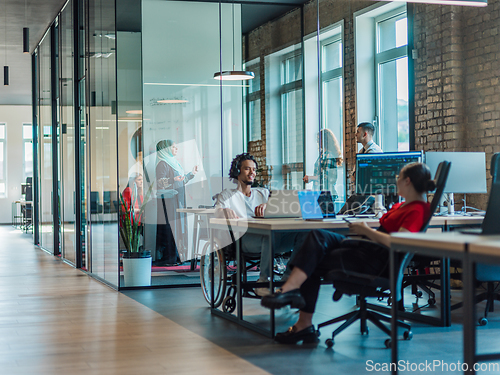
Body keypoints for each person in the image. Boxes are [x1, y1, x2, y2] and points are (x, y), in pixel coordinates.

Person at [261, 162, 435, 344]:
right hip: (368, 250)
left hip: (375, 260)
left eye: (399, 177)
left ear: (407, 181)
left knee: (313, 256)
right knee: (317, 237)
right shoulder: (403, 206)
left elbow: (400, 244)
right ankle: (293, 297)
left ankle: (299, 315)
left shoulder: (417, 209)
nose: (396, 180)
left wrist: (367, 231)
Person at [215, 153, 306, 296]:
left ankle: (288, 279)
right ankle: (264, 282)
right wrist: (224, 211)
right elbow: (217, 211)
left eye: (254, 169)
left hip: (271, 237)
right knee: (270, 234)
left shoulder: (262, 193)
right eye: (247, 169)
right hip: (244, 240)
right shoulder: (227, 195)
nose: (252, 173)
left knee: (304, 234)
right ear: (237, 172)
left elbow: (283, 207)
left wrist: (269, 205)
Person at [155, 140, 198, 265]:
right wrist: (172, 179)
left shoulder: (174, 164)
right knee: (171, 228)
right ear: (165, 149)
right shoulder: (162, 164)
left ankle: (178, 256)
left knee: (178, 228)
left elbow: (180, 181)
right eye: (173, 147)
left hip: (177, 200)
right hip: (169, 201)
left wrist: (191, 174)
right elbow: (159, 183)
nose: (176, 149)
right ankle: (170, 257)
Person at [303, 128, 343, 194]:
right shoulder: (322, 155)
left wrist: (311, 178)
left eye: (319, 139)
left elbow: (326, 177)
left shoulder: (329, 155)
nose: (317, 142)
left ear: (325, 140)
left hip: (326, 194)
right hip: (320, 193)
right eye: (317, 139)